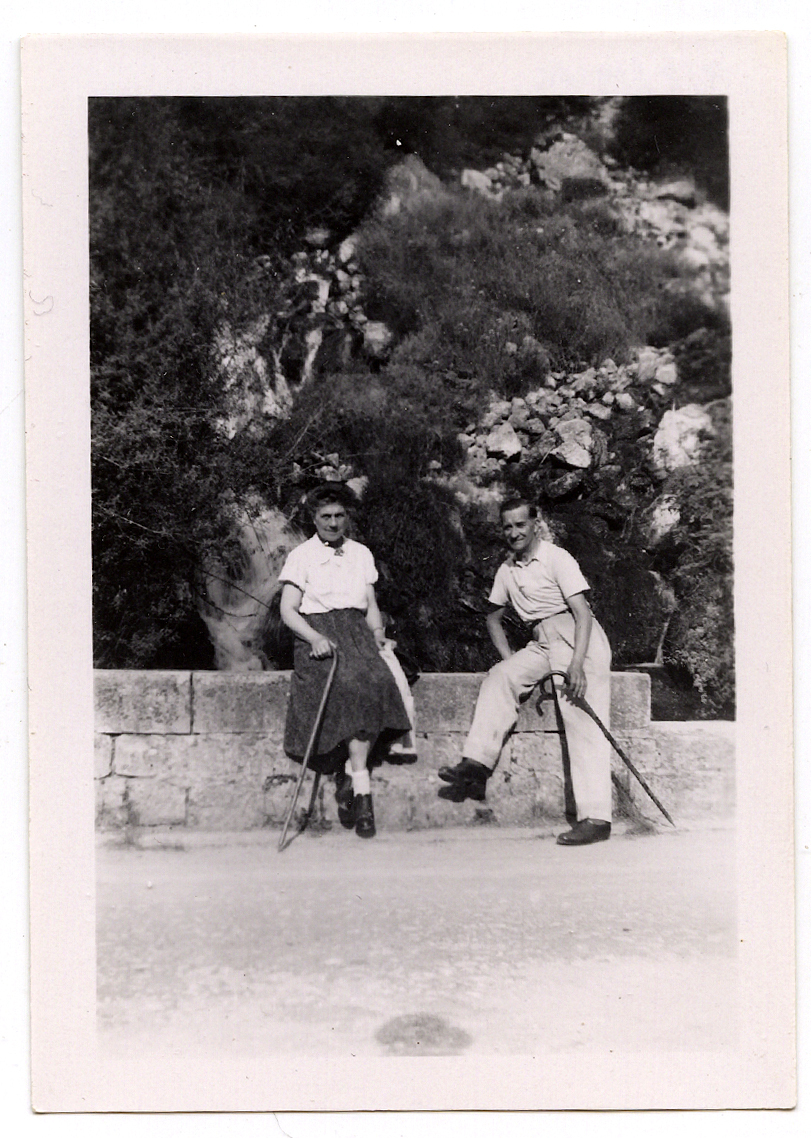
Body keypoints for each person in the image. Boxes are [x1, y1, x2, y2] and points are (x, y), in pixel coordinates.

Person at [438, 497, 613, 846]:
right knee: (500, 676)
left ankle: (596, 818)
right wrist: (507, 657)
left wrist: (576, 665)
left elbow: (583, 614)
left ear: (535, 523)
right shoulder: (506, 570)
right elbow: (492, 616)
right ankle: (476, 762)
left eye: (521, 524)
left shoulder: (556, 557)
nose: (514, 532)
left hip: (576, 636)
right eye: (508, 526)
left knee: (580, 719)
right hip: (541, 642)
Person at [278, 484, 412, 839]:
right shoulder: (301, 556)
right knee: (352, 683)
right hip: (318, 635)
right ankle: (362, 793)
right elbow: (287, 610)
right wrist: (316, 638)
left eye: (339, 516)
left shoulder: (361, 554)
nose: (334, 523)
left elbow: (369, 606)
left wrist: (379, 632)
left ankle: (353, 786)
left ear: (346, 517)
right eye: (326, 517)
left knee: (379, 680)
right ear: (314, 519)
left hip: (356, 632)